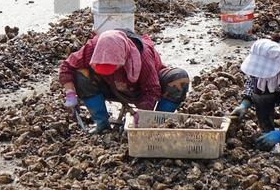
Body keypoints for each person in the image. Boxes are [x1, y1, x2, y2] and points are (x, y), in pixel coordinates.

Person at [58, 29, 190, 134]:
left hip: (140, 89)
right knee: (81, 74)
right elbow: (67, 66)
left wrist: (141, 117)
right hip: (111, 87)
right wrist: (70, 92)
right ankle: (102, 124)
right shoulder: (93, 47)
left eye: (112, 67)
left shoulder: (142, 56)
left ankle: (157, 125)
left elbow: (151, 90)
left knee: (179, 77)